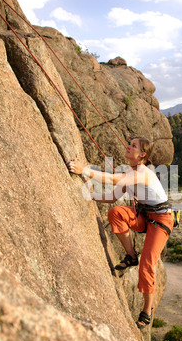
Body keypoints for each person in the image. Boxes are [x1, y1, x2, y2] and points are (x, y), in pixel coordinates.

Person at [67, 137, 173, 329]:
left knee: (147, 264)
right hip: (146, 216)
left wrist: (85, 170)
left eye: (133, 146)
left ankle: (147, 310)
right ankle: (131, 256)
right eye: (129, 143)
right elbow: (113, 197)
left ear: (142, 154)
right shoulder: (131, 172)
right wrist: (91, 195)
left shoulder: (142, 172)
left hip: (161, 219)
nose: (128, 146)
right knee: (116, 213)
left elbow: (111, 179)